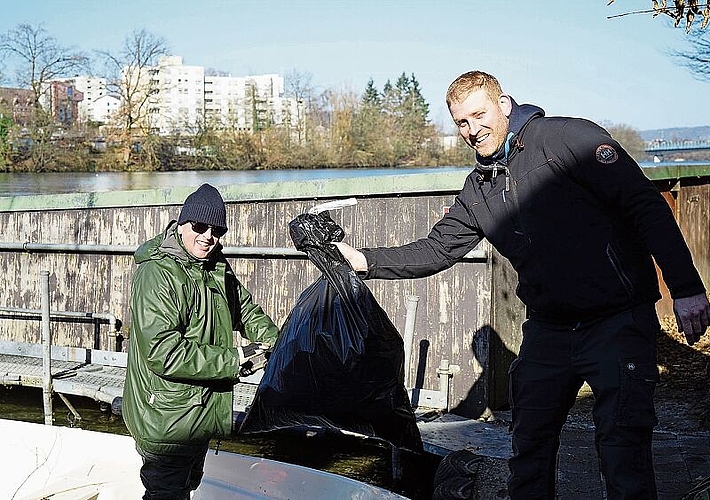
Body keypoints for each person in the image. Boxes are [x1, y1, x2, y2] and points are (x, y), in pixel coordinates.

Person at [334, 71, 710, 499]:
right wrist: (364, 261)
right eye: (461, 122)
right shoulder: (479, 190)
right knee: (528, 443)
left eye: (479, 115)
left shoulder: (569, 139)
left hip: (616, 318)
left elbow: (645, 205)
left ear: (504, 104)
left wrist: (686, 288)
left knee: (622, 447)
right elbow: (436, 250)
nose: (473, 130)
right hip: (549, 328)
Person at [122, 183, 279, 499]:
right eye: (200, 226)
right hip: (167, 418)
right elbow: (162, 352)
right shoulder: (157, 274)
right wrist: (237, 361)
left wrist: (277, 342)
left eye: (217, 230)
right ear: (181, 225)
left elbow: (243, 308)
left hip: (201, 410)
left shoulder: (215, 265)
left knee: (187, 486)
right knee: (165, 493)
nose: (209, 236)